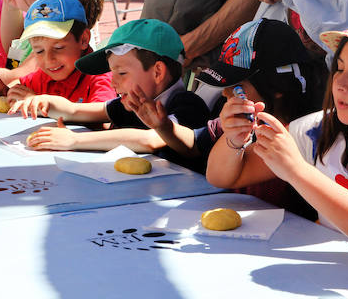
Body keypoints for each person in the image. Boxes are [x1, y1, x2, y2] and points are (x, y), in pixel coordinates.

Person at [206, 3, 348, 259]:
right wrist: (233, 140)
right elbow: (225, 176)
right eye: (339, 68)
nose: (340, 82)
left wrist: (297, 171)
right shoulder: (317, 129)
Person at [128, 17, 324, 195]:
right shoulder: (240, 120)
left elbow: (220, 177)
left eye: (236, 86)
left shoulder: (307, 135)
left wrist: (233, 140)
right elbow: (195, 144)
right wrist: (165, 127)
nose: (224, 93)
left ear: (277, 86)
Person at [17, 19, 210, 166]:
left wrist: (74, 139)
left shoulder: (186, 104)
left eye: (122, 73)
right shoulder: (131, 103)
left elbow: (150, 139)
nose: (113, 81)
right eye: (112, 72)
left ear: (157, 72)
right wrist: (41, 102)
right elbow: (74, 111)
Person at [0, 0, 114, 112]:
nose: (49, 59)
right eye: (39, 51)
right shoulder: (45, 76)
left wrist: (41, 104)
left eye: (58, 47)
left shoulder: (99, 76)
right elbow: (19, 84)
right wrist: (4, 91)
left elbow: (105, 115)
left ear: (83, 39)